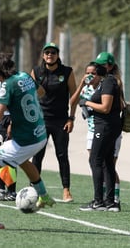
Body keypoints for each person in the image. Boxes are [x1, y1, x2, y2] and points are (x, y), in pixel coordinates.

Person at [0, 49, 55, 230]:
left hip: (25, 140)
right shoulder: (25, 76)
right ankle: (44, 195)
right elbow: (40, 92)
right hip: (40, 134)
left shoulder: (7, 85)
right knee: (24, 160)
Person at [30, 42, 77, 202]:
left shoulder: (67, 72)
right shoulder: (36, 72)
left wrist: (71, 118)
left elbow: (74, 96)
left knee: (62, 155)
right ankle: (33, 189)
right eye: (47, 52)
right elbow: (29, 96)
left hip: (61, 120)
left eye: (53, 52)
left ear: (58, 55)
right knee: (37, 156)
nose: (50, 55)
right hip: (40, 121)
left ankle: (66, 190)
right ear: (43, 55)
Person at [78, 52, 122, 212]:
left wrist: (87, 102)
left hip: (105, 126)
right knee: (107, 162)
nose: (98, 67)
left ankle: (98, 201)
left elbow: (105, 107)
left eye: (101, 64)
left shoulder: (109, 81)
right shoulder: (107, 81)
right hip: (108, 126)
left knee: (95, 160)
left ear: (109, 66)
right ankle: (110, 202)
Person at [0, 77, 17, 201]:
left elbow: (14, 101)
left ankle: (11, 190)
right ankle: (0, 188)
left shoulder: (10, 80)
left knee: (9, 154)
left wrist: (12, 122)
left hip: (8, 118)